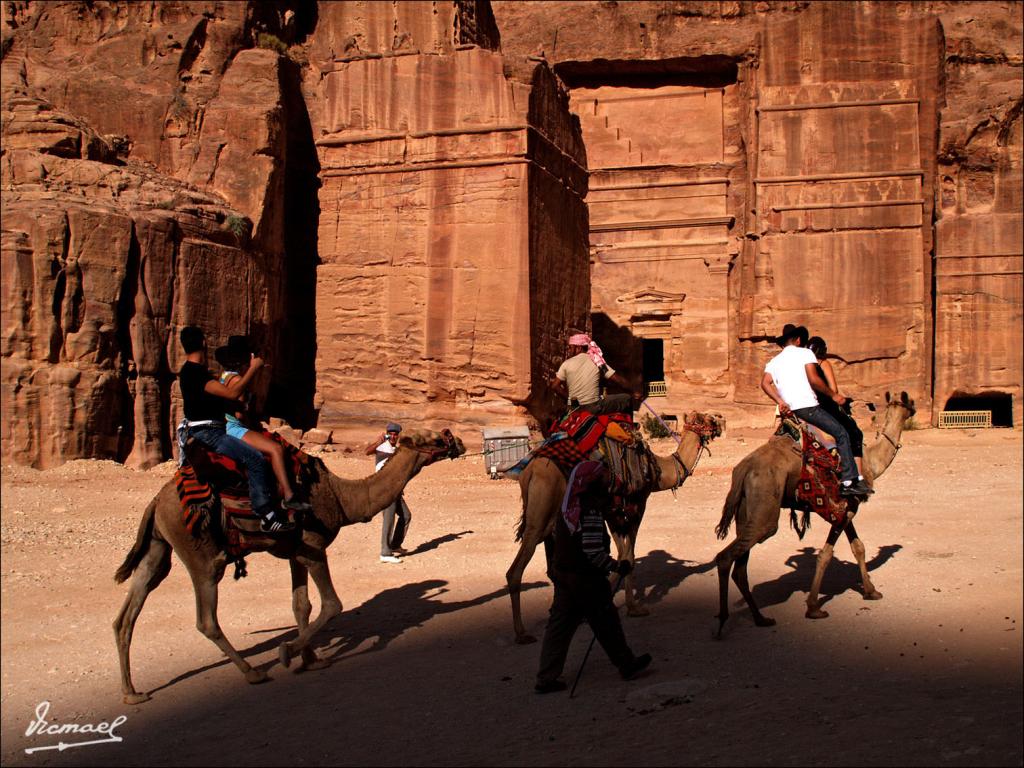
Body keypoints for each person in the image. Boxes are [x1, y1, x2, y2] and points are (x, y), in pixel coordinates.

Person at [534, 460, 652, 694]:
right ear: (593, 483)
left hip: (565, 575)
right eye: (604, 478)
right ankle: (626, 664)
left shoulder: (569, 508)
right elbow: (592, 552)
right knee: (607, 622)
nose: (607, 482)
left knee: (559, 627)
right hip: (586, 579)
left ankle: (546, 677)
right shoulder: (589, 510)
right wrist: (618, 566)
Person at [177, 326, 295, 533]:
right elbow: (232, 394)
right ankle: (267, 515)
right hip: (211, 433)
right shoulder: (196, 374)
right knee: (256, 459)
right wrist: (254, 368)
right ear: (203, 343)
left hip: (207, 429)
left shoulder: (190, 372)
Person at [760, 324, 871, 497]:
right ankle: (849, 480)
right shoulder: (805, 353)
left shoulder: (774, 361)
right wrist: (833, 395)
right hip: (808, 408)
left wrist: (780, 401)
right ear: (798, 340)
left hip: (790, 412)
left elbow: (765, 383)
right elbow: (814, 380)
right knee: (842, 433)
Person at [215, 335, 311, 514]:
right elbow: (239, 413)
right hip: (234, 427)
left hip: (227, 425)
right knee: (276, 449)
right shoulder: (236, 380)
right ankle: (289, 496)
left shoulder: (225, 376)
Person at [806, 336, 868, 483]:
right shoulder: (823, 363)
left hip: (805, 405)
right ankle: (857, 476)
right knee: (854, 433)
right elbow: (833, 389)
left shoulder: (804, 365)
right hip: (825, 406)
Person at [550, 333, 641, 417]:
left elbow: (554, 386)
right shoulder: (597, 361)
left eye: (570, 347)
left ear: (578, 348)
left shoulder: (566, 364)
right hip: (593, 408)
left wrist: (570, 401)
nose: (568, 350)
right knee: (626, 398)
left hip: (574, 409)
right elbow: (617, 379)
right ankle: (630, 429)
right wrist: (634, 391)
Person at [364, 423, 412, 564]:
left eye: (395, 434)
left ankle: (395, 545)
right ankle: (385, 552)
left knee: (406, 516)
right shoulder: (382, 446)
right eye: (390, 433)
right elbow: (367, 451)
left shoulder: (396, 449)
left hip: (396, 489)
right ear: (386, 433)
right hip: (385, 489)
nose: (392, 436)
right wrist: (378, 442)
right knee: (389, 519)